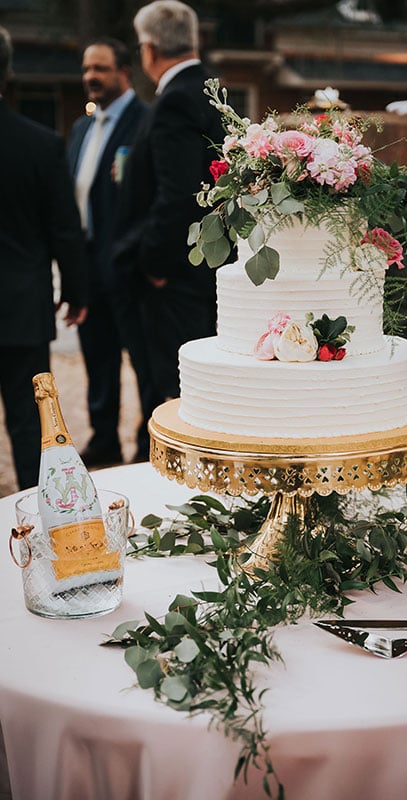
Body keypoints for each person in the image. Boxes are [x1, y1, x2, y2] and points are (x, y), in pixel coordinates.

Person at [114, 0, 233, 402]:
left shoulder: (175, 101)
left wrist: (155, 266)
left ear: (148, 48)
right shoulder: (215, 94)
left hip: (174, 281)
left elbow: (177, 194)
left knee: (176, 394)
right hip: (205, 271)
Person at [0, 25, 88, 491]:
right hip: (21, 307)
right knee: (28, 422)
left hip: (22, 308)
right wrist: (75, 291)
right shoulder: (40, 144)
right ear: (9, 70)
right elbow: (63, 231)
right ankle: (36, 511)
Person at [68, 38, 153, 467]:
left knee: (143, 363)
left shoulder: (146, 122)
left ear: (124, 72)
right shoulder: (82, 127)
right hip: (87, 268)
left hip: (130, 268)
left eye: (100, 68)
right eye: (86, 68)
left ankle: (145, 445)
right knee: (97, 358)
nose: (90, 77)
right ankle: (104, 440)